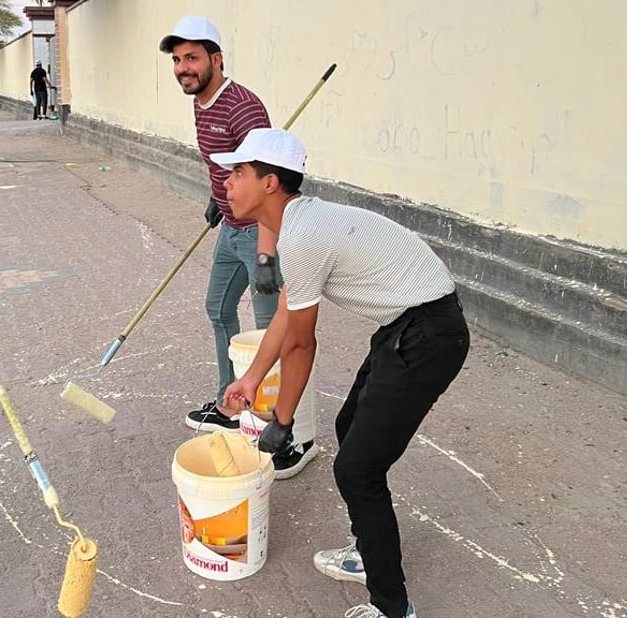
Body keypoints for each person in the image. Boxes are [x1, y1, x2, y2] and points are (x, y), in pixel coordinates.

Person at [217, 129, 470, 618]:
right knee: (348, 429)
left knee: (357, 470)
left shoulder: (305, 234)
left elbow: (302, 343)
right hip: (408, 325)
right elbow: (289, 315)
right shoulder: (301, 225)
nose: (227, 183)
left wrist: (282, 421)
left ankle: (392, 607)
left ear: (269, 183)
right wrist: (251, 379)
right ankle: (369, 554)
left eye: (238, 173)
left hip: (429, 337)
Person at [159, 15, 318, 479]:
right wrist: (216, 196)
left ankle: (291, 432)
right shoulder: (200, 100)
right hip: (232, 226)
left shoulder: (243, 108)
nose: (183, 68)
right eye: (177, 60)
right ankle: (231, 400)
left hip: (259, 230)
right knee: (218, 308)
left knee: (280, 330)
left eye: (192, 57)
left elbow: (268, 187)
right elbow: (232, 167)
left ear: (216, 58)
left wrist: (268, 253)